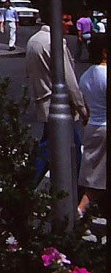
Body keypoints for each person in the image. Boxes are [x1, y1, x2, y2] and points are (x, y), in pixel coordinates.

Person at [25, 24, 88, 188]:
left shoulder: (34, 40)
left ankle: (24, 187)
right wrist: (81, 108)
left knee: (49, 147)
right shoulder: (55, 43)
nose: (70, 24)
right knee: (72, 151)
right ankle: (76, 194)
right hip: (59, 105)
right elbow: (69, 81)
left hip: (44, 99)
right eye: (66, 19)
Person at [76, 34, 106, 219]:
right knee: (97, 180)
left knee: (96, 175)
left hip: (92, 126)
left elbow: (84, 106)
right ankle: (80, 211)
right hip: (105, 127)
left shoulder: (86, 76)